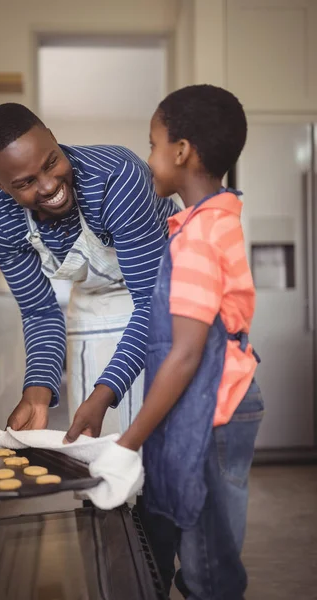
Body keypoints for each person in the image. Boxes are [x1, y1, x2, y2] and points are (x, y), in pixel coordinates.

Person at [110, 85, 264, 599]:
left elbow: (186, 351)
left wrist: (127, 442)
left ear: (180, 151)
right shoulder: (206, 222)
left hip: (213, 407)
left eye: (152, 143)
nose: (149, 158)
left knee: (207, 565)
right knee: (180, 528)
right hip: (210, 399)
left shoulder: (200, 236)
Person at [0, 103, 180, 435]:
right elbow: (40, 312)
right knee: (96, 455)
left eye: (51, 162)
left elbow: (152, 303)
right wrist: (36, 396)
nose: (49, 186)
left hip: (165, 291)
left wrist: (104, 394)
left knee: (158, 447)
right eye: (26, 182)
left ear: (54, 139)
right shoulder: (0, 222)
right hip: (94, 302)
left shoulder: (116, 178)